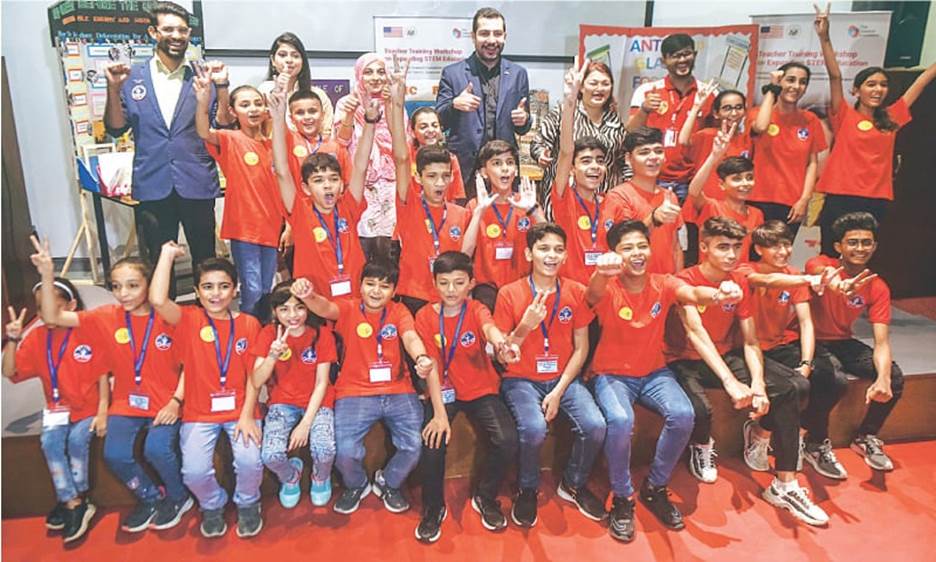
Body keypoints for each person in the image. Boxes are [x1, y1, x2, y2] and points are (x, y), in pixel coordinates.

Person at [664, 217, 827, 526]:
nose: (730, 255)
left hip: (726, 353)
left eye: (736, 247)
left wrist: (757, 384)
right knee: (698, 407)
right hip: (684, 359)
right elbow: (697, 335)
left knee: (790, 387)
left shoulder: (739, 281)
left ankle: (785, 484)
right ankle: (702, 445)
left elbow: (750, 341)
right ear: (704, 247)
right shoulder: (683, 280)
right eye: (722, 247)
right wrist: (730, 382)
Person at [587, 220, 743, 541]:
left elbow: (693, 292)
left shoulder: (664, 283)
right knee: (620, 420)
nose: (637, 253)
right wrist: (601, 271)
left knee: (684, 415)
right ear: (615, 253)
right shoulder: (609, 285)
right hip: (611, 374)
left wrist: (718, 294)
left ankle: (655, 487)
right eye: (627, 248)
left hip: (654, 373)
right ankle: (622, 496)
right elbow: (592, 293)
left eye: (641, 245)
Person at [30, 240, 190, 534]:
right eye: (116, 286)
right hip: (127, 403)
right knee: (114, 454)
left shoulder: (169, 317)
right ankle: (151, 497)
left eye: (132, 285)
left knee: (157, 449)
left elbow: (190, 365)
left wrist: (176, 402)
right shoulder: (106, 317)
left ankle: (179, 497)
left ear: (148, 285)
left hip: (166, 402)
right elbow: (52, 316)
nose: (123, 294)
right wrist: (48, 274)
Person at [290, 262, 444, 516]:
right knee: (345, 449)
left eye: (384, 286)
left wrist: (421, 358)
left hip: (398, 389)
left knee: (415, 445)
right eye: (370, 284)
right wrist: (308, 296)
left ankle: (389, 482)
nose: (376, 291)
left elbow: (410, 337)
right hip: (354, 391)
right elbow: (324, 307)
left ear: (394, 291)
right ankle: (357, 484)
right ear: (360, 285)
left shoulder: (400, 311)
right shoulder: (348, 307)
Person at [104, 1, 229, 278]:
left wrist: (221, 87)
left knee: (206, 262)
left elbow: (223, 124)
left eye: (183, 30)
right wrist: (113, 89)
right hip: (153, 181)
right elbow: (116, 128)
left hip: (196, 180)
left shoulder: (201, 75)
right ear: (153, 32)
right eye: (169, 29)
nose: (177, 36)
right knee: (159, 266)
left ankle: (206, 320)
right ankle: (164, 320)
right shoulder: (131, 77)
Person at [494, 223, 607, 528]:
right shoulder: (509, 293)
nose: (551, 255)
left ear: (566, 254)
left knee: (595, 425)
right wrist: (526, 326)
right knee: (533, 428)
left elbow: (581, 348)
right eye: (544, 248)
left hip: (563, 378)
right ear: (529, 253)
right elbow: (502, 354)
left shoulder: (575, 291)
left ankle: (572, 483)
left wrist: (557, 391)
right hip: (520, 379)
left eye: (558, 249)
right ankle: (527, 487)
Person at [149, 242, 264, 539]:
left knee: (250, 461)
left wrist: (248, 414)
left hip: (241, 410)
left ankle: (249, 503)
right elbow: (158, 299)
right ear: (198, 292)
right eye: (208, 287)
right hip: (199, 413)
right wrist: (166, 256)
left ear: (235, 290)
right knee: (195, 472)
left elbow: (254, 377)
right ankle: (212, 505)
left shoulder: (250, 324)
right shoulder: (188, 320)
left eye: (223, 286)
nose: (216, 294)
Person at [412, 251, 520, 543]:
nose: (451, 290)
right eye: (444, 282)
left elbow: (490, 330)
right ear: (434, 283)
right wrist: (437, 413)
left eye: (458, 282)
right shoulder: (424, 316)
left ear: (471, 283)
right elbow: (431, 367)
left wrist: (501, 343)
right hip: (442, 391)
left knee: (507, 438)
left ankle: (485, 497)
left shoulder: (476, 309)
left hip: (480, 388)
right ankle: (433, 508)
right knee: (432, 443)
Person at [813, 3, 936, 255]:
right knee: (831, 252)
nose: (878, 89)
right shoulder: (844, 115)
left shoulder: (892, 117)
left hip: (875, 199)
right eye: (871, 84)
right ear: (856, 90)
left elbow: (922, 81)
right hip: (841, 196)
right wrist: (824, 37)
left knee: (861, 256)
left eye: (882, 85)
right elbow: (835, 75)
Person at [3, 272, 108, 543]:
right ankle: (73, 501)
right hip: (56, 410)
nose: (45, 314)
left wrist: (102, 411)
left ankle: (73, 498)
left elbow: (102, 374)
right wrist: (12, 341)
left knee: (76, 441)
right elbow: (9, 371)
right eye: (40, 308)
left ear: (71, 306)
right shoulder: (37, 338)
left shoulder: (86, 330)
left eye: (53, 307)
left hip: (87, 409)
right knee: (50, 442)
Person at [747, 221, 849, 480]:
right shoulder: (746, 271)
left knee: (835, 380)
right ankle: (761, 433)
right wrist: (804, 278)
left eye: (786, 244)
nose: (782, 251)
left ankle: (802, 433)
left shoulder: (793, 274)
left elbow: (805, 322)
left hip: (783, 344)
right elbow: (768, 280)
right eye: (774, 246)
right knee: (797, 388)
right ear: (758, 249)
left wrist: (805, 361)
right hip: (751, 348)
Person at [805, 212, 904, 473]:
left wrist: (882, 378)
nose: (860, 248)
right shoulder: (819, 262)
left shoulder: (877, 285)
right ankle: (814, 443)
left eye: (866, 242)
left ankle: (866, 436)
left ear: (874, 246)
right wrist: (839, 285)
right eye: (853, 242)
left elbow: (881, 341)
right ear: (839, 246)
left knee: (893, 376)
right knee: (832, 379)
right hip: (808, 341)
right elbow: (826, 275)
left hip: (842, 341)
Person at [269, 83, 374, 300]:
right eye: (318, 180)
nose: (327, 185)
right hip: (314, 300)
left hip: (353, 298)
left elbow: (361, 167)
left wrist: (371, 121)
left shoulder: (349, 206)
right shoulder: (299, 209)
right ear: (305, 188)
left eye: (333, 179)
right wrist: (278, 119)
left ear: (342, 183)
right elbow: (281, 169)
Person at [387, 61, 470, 314]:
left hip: (451, 298)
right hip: (414, 294)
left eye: (445, 176)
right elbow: (401, 158)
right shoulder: (408, 204)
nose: (440, 182)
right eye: (432, 176)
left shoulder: (460, 214)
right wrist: (398, 99)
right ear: (419, 178)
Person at [196, 79, 282, 317]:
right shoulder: (229, 139)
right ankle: (247, 335)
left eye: (257, 104)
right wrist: (203, 102)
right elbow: (203, 131)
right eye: (245, 105)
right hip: (244, 229)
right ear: (233, 112)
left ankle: (262, 335)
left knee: (267, 289)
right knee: (252, 289)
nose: (253, 109)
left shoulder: (274, 145)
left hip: (272, 227)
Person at [251, 281, 337, 509]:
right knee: (270, 455)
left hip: (318, 402)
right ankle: (291, 476)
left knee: (325, 449)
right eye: (284, 309)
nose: (292, 315)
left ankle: (320, 476)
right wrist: (272, 355)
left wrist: (306, 424)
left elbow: (321, 383)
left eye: (299, 307)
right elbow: (256, 381)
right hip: (282, 402)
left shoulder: (322, 334)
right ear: (274, 311)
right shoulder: (268, 333)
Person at [436, 7, 531, 198]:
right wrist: (455, 104)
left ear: (505, 36)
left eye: (497, 34)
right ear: (473, 36)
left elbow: (523, 126)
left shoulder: (518, 74)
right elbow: (440, 121)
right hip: (465, 169)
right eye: (484, 33)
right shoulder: (452, 73)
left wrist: (524, 120)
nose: (491, 40)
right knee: (465, 223)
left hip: (503, 169)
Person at [531, 59, 628, 217]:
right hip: (565, 194)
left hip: (603, 198)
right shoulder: (564, 111)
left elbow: (622, 158)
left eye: (605, 83)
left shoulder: (614, 119)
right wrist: (542, 155)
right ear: (581, 87)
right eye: (594, 83)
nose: (599, 88)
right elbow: (539, 143)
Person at [626, 33, 714, 203]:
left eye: (687, 54)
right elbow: (630, 133)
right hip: (653, 178)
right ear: (664, 60)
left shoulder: (709, 94)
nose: (682, 60)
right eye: (675, 56)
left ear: (694, 55)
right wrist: (644, 110)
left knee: (690, 230)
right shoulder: (647, 91)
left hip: (693, 181)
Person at [550, 60, 614, 285]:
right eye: (586, 161)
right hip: (571, 293)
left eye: (599, 161)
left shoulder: (611, 202)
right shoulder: (564, 198)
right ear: (573, 169)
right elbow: (566, 152)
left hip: (605, 290)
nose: (594, 166)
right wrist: (570, 103)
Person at [334, 53, 401, 258]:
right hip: (359, 184)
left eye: (381, 72)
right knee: (362, 245)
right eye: (368, 72)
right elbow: (341, 143)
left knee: (389, 247)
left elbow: (402, 140)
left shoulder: (394, 103)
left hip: (390, 185)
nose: (375, 77)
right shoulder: (348, 103)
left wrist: (392, 106)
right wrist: (348, 116)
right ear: (359, 76)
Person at [461, 143, 543, 311]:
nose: (505, 169)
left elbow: (550, 240)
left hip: (523, 286)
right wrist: (479, 213)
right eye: (497, 163)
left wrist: (534, 211)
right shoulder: (475, 206)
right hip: (486, 290)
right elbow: (464, 254)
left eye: (510, 162)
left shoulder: (528, 204)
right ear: (484, 172)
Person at [748, 65, 827, 239]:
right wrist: (772, 88)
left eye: (802, 82)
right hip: (756, 199)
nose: (796, 86)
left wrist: (804, 199)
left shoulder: (810, 120)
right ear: (779, 82)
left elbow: (812, 163)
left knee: (779, 257)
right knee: (752, 258)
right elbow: (760, 127)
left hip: (791, 203)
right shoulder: (757, 114)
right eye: (790, 80)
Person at [605, 127, 683, 274]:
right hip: (634, 285)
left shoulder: (670, 196)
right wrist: (654, 218)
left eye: (658, 151)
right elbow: (623, 241)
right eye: (644, 152)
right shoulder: (618, 196)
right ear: (629, 159)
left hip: (666, 284)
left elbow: (676, 246)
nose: (653, 157)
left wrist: (679, 281)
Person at [685, 127, 764, 261]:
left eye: (749, 177)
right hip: (709, 277)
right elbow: (694, 191)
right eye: (737, 179)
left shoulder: (756, 214)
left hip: (738, 277)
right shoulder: (712, 207)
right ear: (722, 184)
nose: (745, 183)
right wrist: (714, 156)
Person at [257, 31, 336, 137]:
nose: (289, 60)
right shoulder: (264, 90)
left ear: (303, 61)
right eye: (283, 55)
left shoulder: (318, 94)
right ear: (273, 61)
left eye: (295, 56)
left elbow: (327, 133)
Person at [679, 88, 750, 201]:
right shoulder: (708, 135)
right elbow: (683, 140)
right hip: (704, 202)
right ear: (716, 113)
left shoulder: (747, 140)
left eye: (739, 107)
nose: (734, 113)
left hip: (732, 203)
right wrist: (696, 108)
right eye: (727, 108)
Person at [409, 107, 465, 202]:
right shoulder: (406, 156)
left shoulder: (450, 159)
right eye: (424, 127)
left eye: (435, 126)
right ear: (413, 132)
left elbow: (456, 197)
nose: (430, 130)